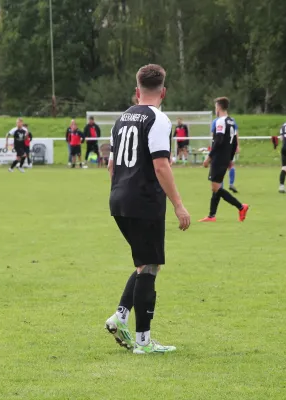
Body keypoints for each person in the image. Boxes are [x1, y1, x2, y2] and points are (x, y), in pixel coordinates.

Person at [105, 64, 191, 355]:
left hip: (119, 198)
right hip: (144, 201)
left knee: (144, 263)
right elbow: (160, 164)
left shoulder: (122, 118)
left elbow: (111, 164)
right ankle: (143, 342)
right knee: (150, 266)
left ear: (137, 89)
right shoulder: (158, 119)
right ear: (163, 91)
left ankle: (120, 316)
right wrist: (179, 205)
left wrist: (121, 190)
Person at [198, 97, 249, 223]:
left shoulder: (220, 121)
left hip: (219, 157)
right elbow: (234, 142)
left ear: (219, 107)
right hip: (225, 157)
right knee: (216, 186)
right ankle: (211, 216)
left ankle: (241, 207)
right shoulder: (231, 121)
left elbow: (219, 141)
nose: (215, 109)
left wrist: (209, 157)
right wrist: (230, 158)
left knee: (216, 187)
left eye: (216, 107)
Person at [210, 118, 239, 192]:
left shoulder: (216, 121)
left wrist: (212, 147)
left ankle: (220, 187)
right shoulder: (232, 120)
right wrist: (237, 145)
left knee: (220, 168)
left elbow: (214, 136)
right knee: (231, 165)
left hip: (220, 149)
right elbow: (235, 134)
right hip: (230, 148)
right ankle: (231, 184)